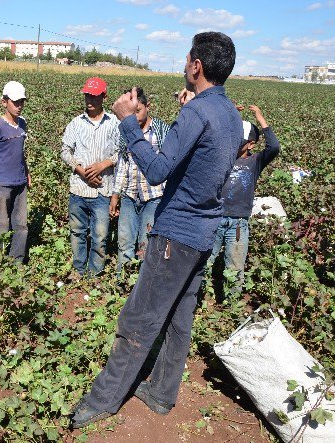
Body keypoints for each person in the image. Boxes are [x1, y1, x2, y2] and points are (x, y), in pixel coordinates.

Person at [70, 32, 242, 428]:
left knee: (140, 318)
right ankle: (161, 393)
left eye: (187, 59)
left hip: (176, 233)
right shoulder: (230, 114)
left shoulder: (197, 112)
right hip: (203, 234)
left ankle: (102, 399)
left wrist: (128, 123)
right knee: (180, 321)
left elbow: (159, 170)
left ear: (196, 66)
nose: (184, 65)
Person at [208, 105, 280, 293]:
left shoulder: (255, 161)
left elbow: (274, 147)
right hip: (215, 217)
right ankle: (201, 298)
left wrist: (260, 118)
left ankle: (231, 307)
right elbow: (215, 133)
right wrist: (230, 113)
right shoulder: (222, 155)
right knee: (204, 262)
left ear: (251, 144)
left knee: (235, 267)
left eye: (239, 141)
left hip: (239, 222)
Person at [61, 77, 120, 277]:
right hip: (78, 189)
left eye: (94, 97)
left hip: (103, 190)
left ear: (104, 97)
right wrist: (81, 171)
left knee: (100, 236)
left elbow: (123, 151)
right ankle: (78, 270)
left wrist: (103, 164)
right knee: (77, 232)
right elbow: (65, 151)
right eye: (87, 95)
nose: (90, 101)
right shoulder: (76, 123)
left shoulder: (114, 123)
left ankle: (94, 274)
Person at [110, 87, 171, 273]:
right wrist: (115, 195)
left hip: (154, 197)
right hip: (129, 195)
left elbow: (168, 165)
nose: (134, 116)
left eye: (138, 110)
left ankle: (142, 286)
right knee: (125, 242)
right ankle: (122, 284)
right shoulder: (125, 131)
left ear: (148, 107)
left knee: (146, 244)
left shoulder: (161, 130)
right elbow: (122, 164)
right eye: (131, 112)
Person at [0, 81, 30, 263]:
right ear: (4, 102)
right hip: (1, 184)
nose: (19, 106)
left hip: (20, 183)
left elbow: (20, 152)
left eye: (21, 102)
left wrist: (27, 173)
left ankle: (17, 261)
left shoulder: (22, 123)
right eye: (15, 102)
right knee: (1, 225)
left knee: (21, 225)